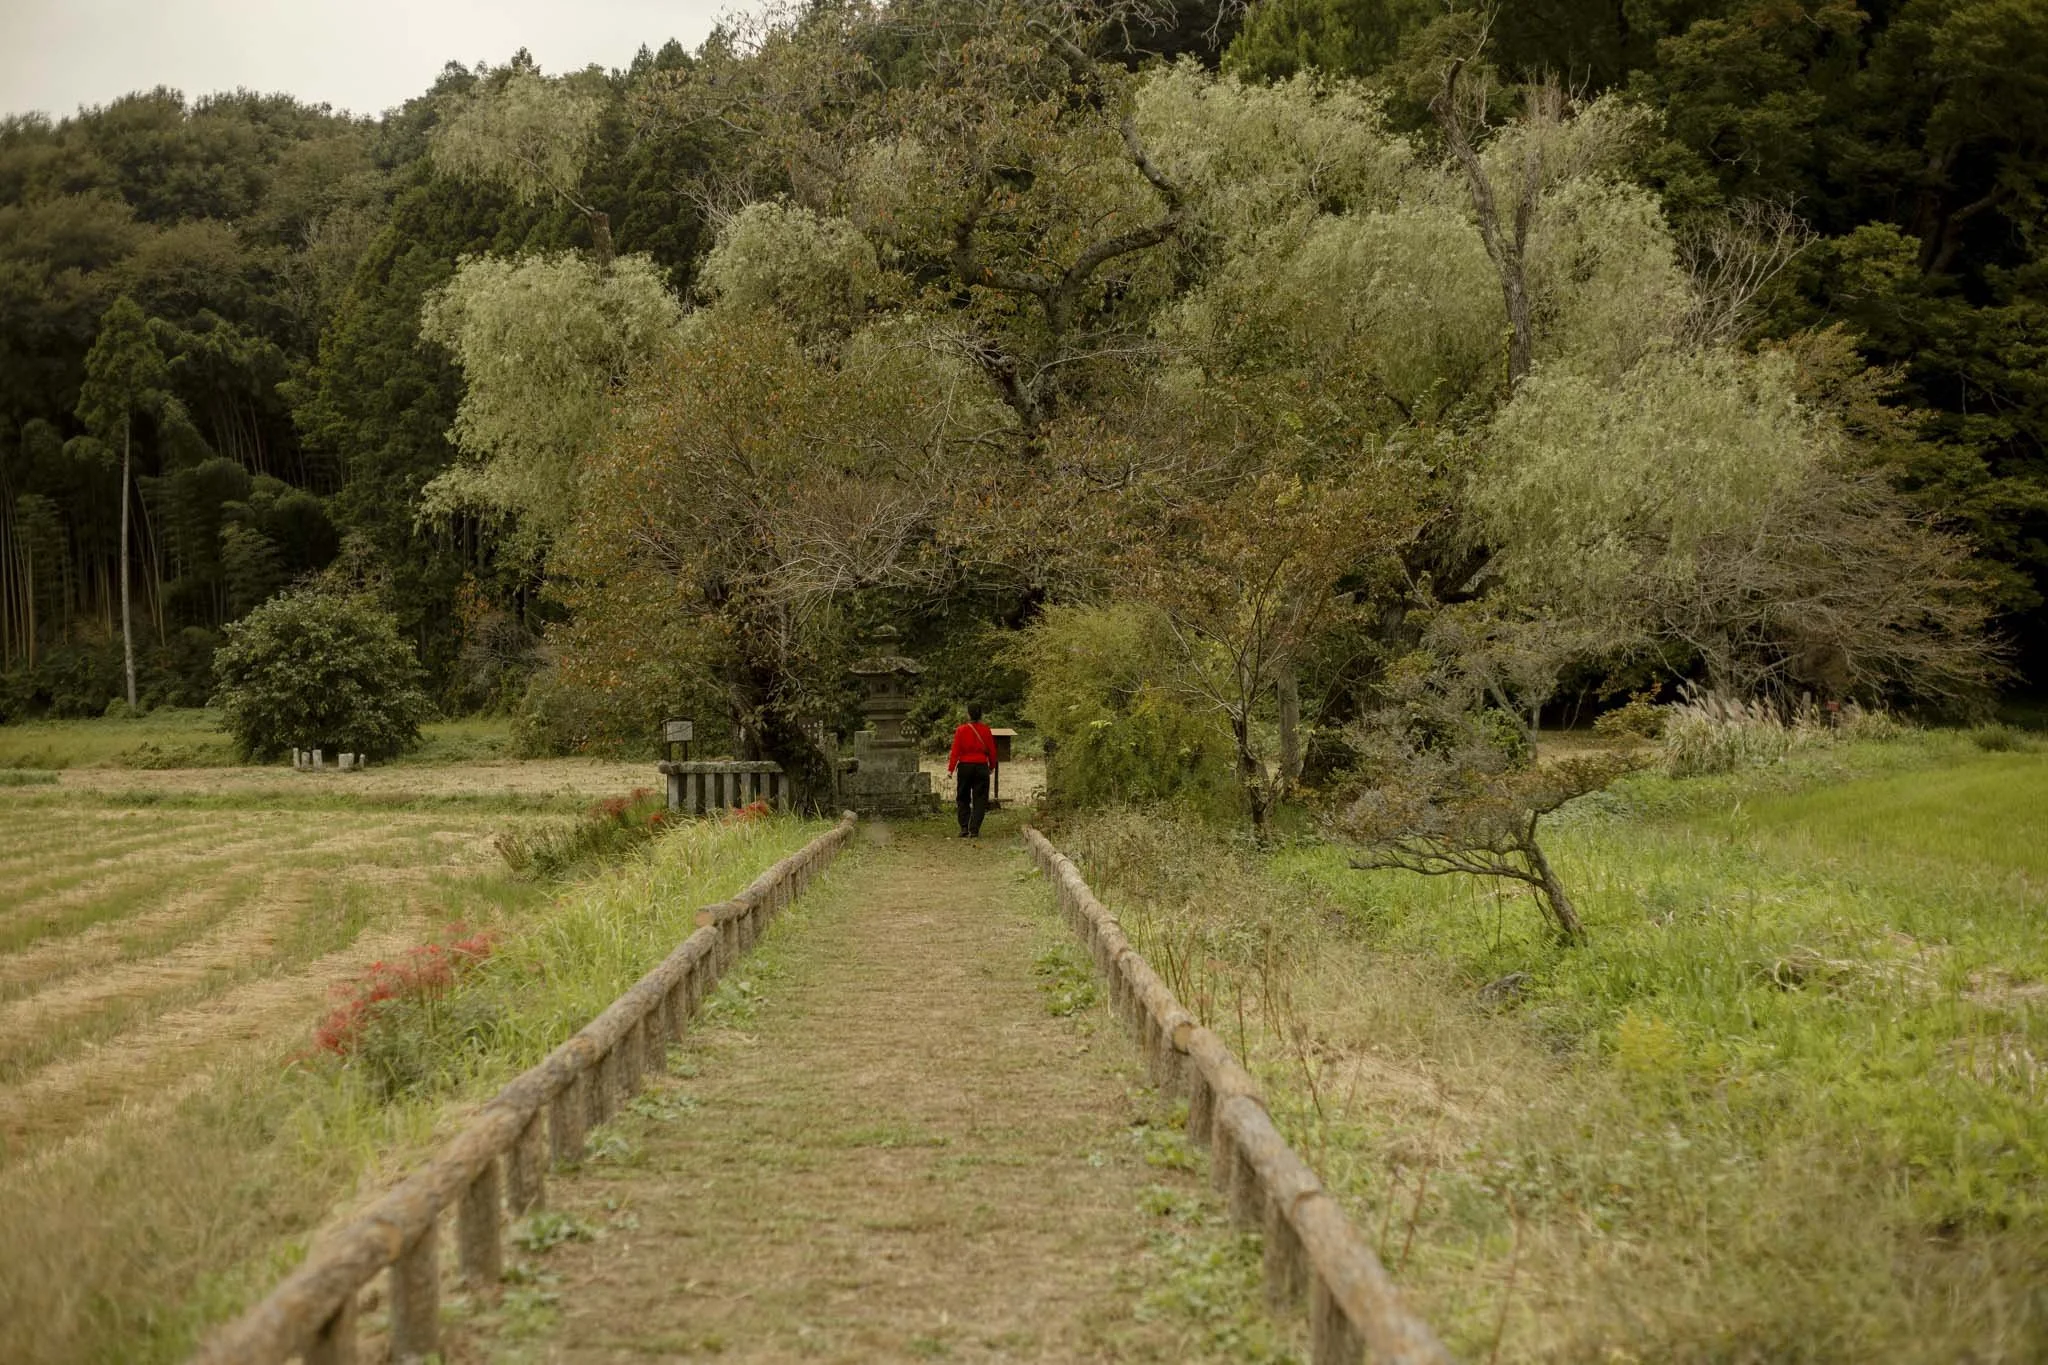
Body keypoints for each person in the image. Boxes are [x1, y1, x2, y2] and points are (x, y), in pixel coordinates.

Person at [947, 702, 998, 838]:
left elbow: (955, 751)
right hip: (981, 766)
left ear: (968, 714)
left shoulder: (961, 730)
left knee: (963, 797)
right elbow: (992, 751)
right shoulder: (986, 730)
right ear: (981, 715)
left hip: (965, 766)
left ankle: (964, 827)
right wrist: (991, 766)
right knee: (980, 798)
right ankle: (974, 829)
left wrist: (951, 769)